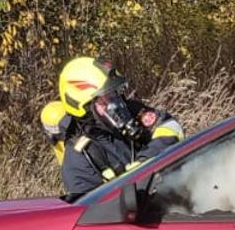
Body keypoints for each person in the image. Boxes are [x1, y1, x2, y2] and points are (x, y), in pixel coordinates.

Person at [56, 56, 183, 197]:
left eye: (114, 94)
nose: (115, 104)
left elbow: (170, 126)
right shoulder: (79, 160)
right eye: (106, 99)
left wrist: (146, 161)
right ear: (85, 108)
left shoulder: (131, 110)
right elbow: (93, 214)